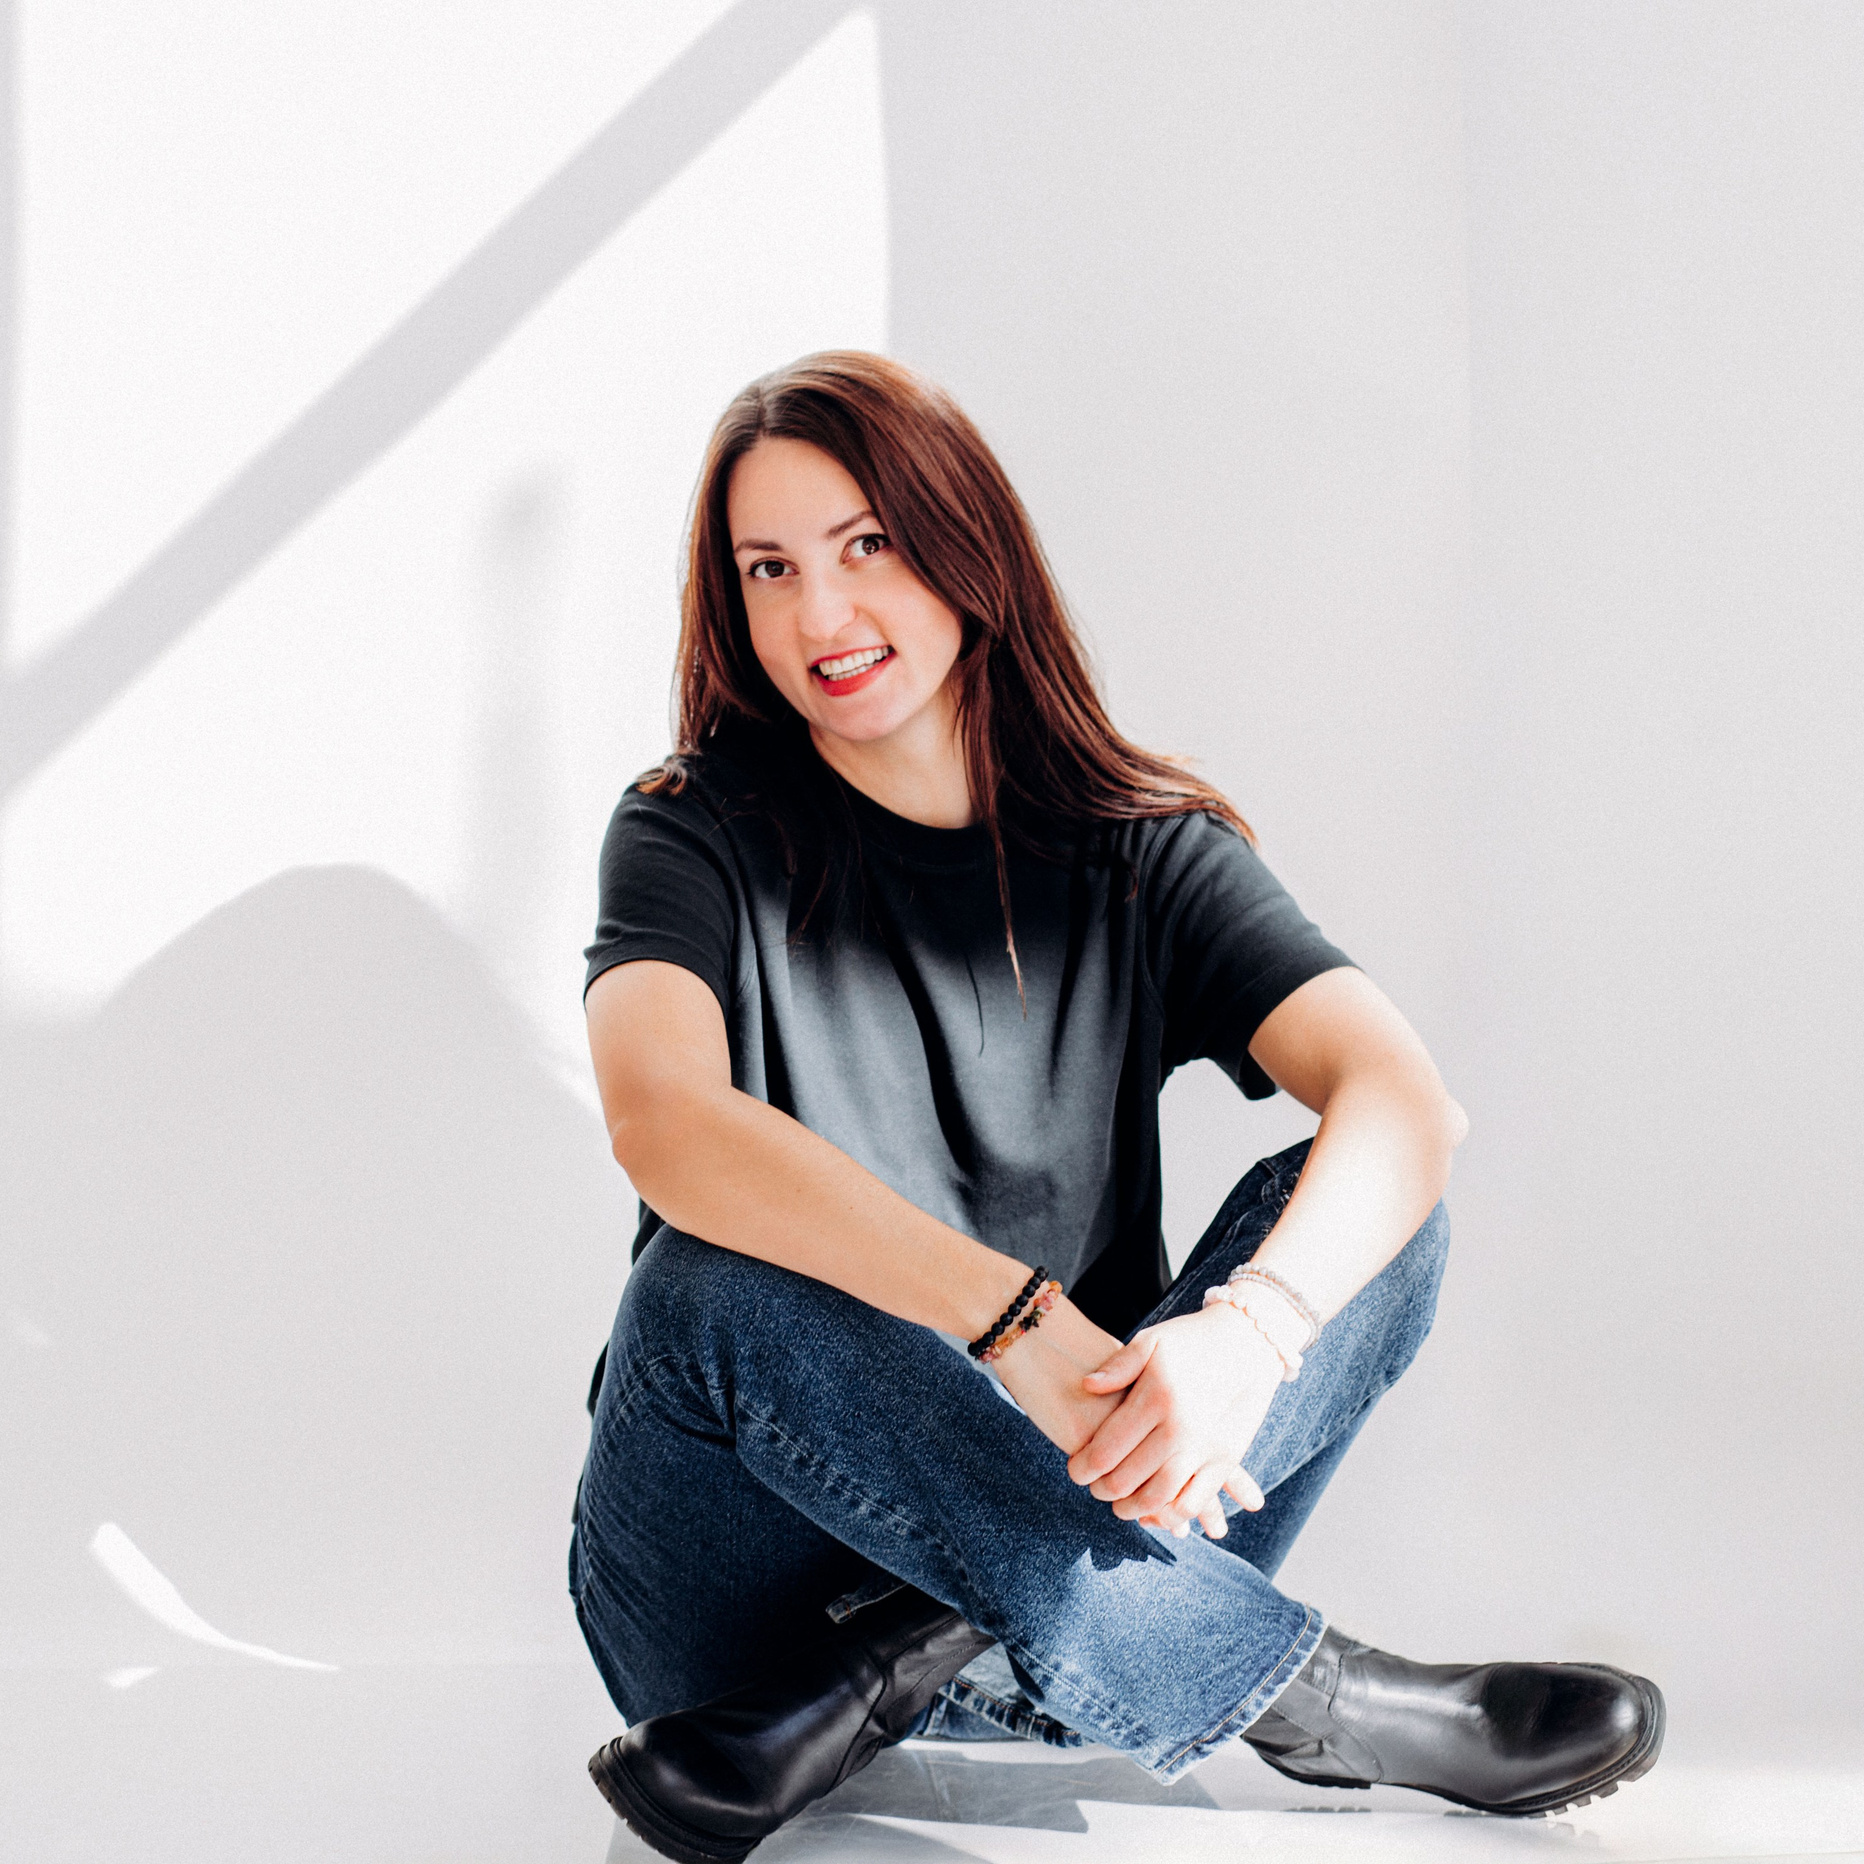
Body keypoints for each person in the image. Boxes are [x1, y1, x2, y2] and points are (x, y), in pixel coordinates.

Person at [569, 352, 1663, 1863]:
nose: (821, 615)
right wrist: (1014, 1327)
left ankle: (895, 1662)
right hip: (729, 1626)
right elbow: (664, 1125)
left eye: (866, 545)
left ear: (967, 546)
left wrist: (1248, 1335)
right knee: (707, 1283)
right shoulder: (689, 829)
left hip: (1050, 1601)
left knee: (1370, 1216)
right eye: (772, 569)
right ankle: (1321, 1700)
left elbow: (1405, 1102)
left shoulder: (1143, 848)